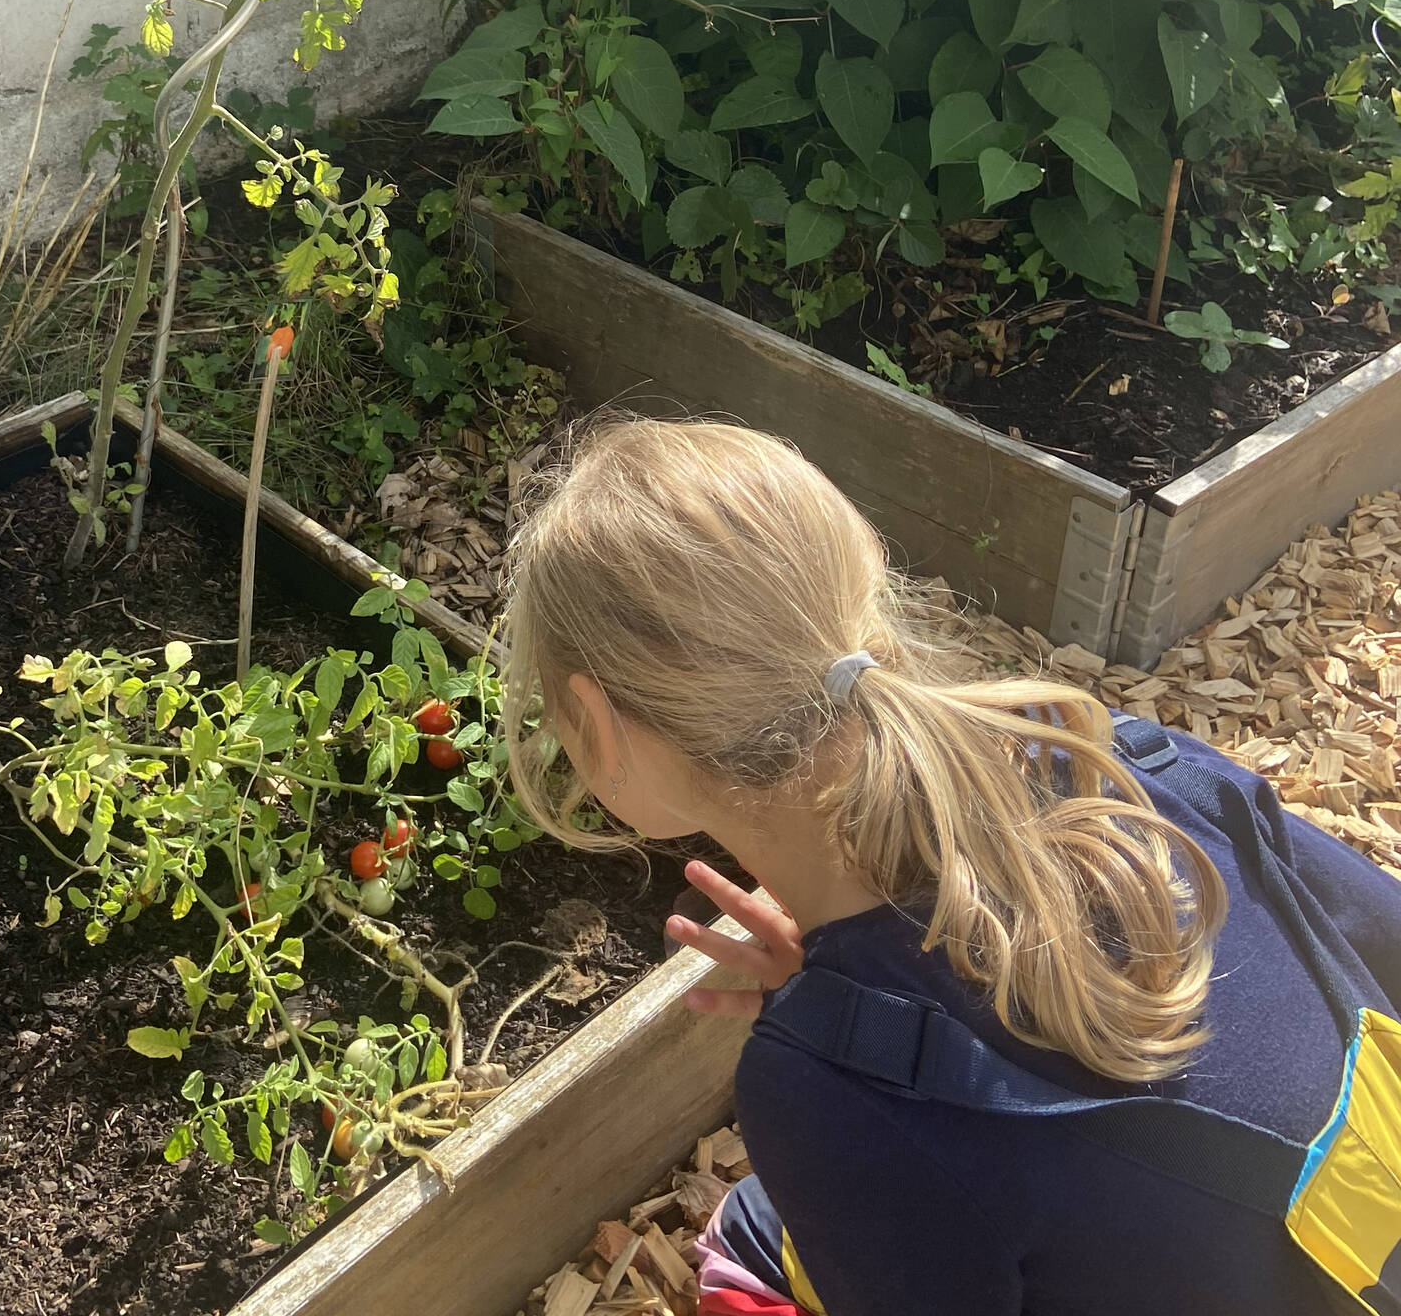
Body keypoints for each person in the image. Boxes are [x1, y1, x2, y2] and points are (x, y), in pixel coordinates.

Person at [502, 419, 1401, 1316]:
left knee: (748, 1247)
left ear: (600, 721)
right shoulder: (1134, 763)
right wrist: (848, 1009)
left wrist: (840, 1049)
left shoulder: (831, 1094)